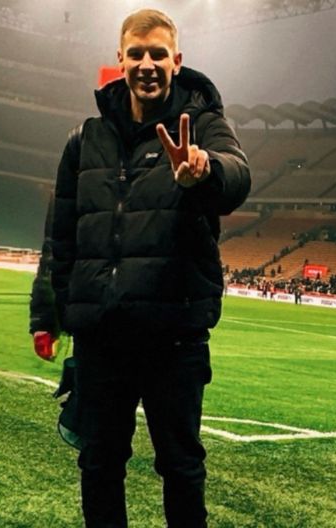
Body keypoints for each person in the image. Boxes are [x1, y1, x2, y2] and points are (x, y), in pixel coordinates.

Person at [32, 9, 250, 527]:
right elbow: (60, 234)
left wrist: (205, 171)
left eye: (158, 54)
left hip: (173, 334)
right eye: (136, 53)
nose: (147, 63)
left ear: (177, 61)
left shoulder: (203, 125)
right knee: (99, 463)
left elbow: (238, 177)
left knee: (181, 466)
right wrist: (47, 314)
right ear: (120, 59)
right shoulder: (84, 139)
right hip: (101, 335)